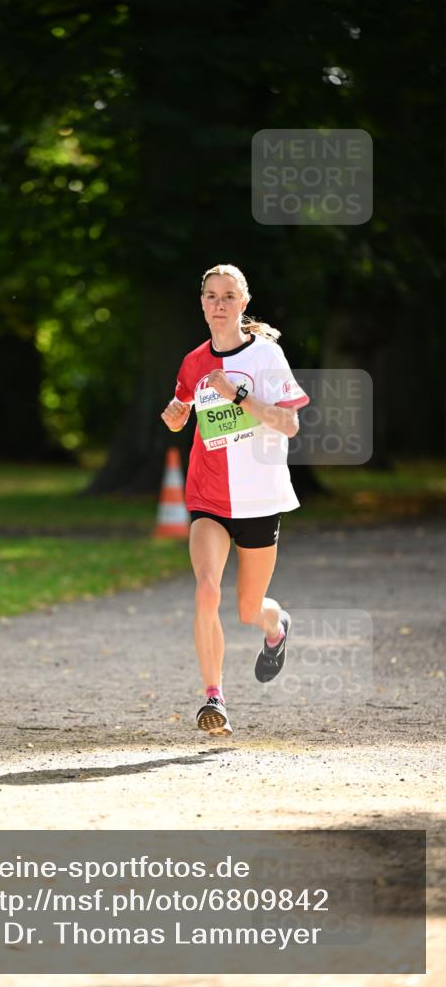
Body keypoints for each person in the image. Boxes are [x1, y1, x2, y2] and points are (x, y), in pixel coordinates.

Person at [160, 264, 310, 737]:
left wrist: (239, 395)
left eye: (228, 296)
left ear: (244, 303)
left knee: (249, 609)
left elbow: (289, 425)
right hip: (208, 496)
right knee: (207, 590)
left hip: (259, 499)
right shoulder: (192, 362)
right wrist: (174, 417)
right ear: (201, 302)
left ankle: (275, 625)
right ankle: (213, 698)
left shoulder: (267, 357)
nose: (219, 304)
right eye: (211, 296)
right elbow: (184, 413)